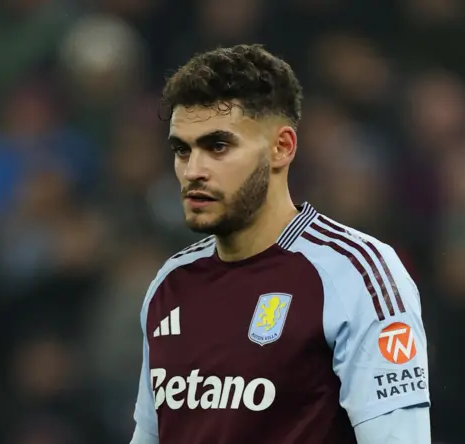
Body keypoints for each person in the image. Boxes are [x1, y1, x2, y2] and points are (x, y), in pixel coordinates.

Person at [130, 44, 431, 444]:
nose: (193, 170)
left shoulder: (357, 272)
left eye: (217, 146)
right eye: (182, 150)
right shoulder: (170, 284)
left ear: (282, 147)